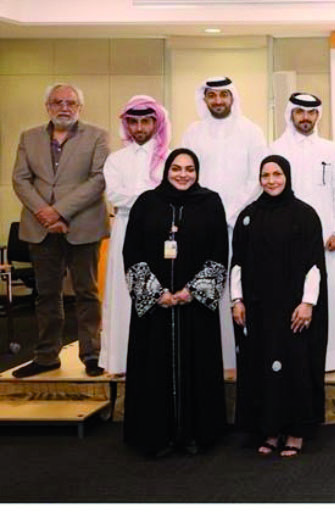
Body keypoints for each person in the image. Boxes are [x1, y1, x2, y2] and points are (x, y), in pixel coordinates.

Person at [122, 148, 228, 457]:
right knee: (153, 366)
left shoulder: (210, 202)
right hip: (156, 308)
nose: (183, 174)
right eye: (177, 168)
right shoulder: (146, 203)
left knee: (197, 365)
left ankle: (197, 433)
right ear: (166, 170)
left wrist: (192, 291)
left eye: (190, 168)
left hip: (194, 305)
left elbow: (219, 251)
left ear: (197, 171)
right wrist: (157, 293)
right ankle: (156, 435)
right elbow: (132, 252)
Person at [231, 155, 329, 458]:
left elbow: (315, 265)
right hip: (259, 309)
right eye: (265, 175)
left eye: (277, 174)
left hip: (293, 311)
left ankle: (297, 431)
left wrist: (308, 304)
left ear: (287, 176)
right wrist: (237, 300)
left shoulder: (305, 215)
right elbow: (238, 263)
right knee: (261, 366)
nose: (271, 180)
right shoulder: (248, 216)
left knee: (296, 366)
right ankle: (270, 430)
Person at [11, 83, 109, 378]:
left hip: (83, 225)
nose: (64, 107)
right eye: (57, 102)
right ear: (48, 107)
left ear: (80, 107)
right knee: (46, 294)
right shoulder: (28, 138)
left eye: (71, 102)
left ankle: (92, 354)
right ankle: (46, 356)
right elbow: (20, 179)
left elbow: (98, 180)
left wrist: (60, 211)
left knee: (87, 293)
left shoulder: (97, 136)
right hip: (41, 228)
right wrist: (45, 213)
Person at [181, 76, 267, 371]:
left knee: (240, 283)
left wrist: (229, 213)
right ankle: (207, 354)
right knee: (204, 282)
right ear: (204, 99)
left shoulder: (251, 131)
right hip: (201, 222)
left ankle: (242, 354)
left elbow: (257, 177)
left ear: (233, 97)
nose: (218, 101)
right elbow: (186, 175)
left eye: (223, 96)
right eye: (212, 96)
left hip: (241, 220)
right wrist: (207, 214)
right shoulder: (193, 132)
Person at [269, 92, 335, 372]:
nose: (305, 118)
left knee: (328, 293)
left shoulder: (332, 150)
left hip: (325, 236)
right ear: (291, 114)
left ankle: (330, 359)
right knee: (288, 292)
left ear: (318, 115)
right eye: (300, 112)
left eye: (311, 113)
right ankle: (291, 356)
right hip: (285, 237)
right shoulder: (275, 148)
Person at [100, 95, 170, 377]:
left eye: (145, 121)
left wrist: (143, 199)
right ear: (127, 125)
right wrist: (154, 198)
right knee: (123, 292)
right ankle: (123, 360)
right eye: (134, 122)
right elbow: (115, 195)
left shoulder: (169, 157)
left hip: (164, 233)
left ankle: (158, 358)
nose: (140, 128)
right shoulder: (116, 159)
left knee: (160, 290)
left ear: (156, 123)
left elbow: (176, 192)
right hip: (125, 229)